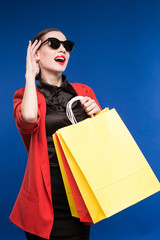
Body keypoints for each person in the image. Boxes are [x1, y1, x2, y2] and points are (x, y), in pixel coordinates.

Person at [9, 28, 101, 240]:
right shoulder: (25, 95)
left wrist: (97, 115)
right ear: (36, 54)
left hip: (79, 199)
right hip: (44, 201)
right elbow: (29, 118)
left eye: (67, 46)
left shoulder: (83, 92)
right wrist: (30, 75)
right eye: (53, 43)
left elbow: (99, 145)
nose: (63, 49)